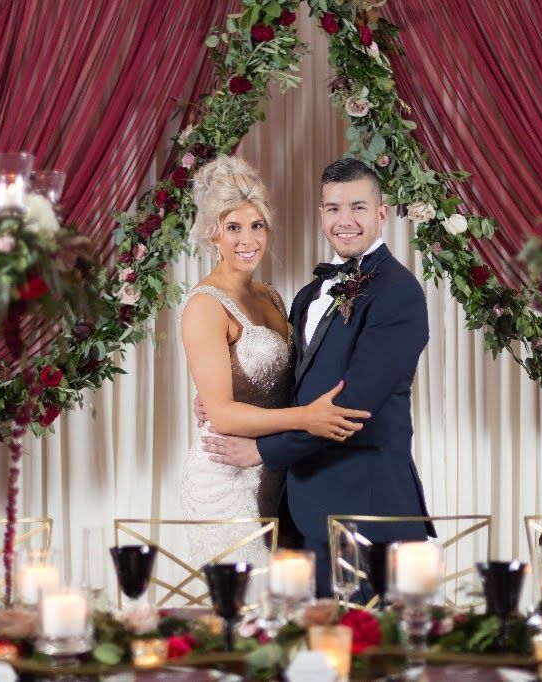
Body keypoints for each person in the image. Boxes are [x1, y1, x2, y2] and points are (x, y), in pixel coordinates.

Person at [201, 158, 434, 596]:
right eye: (332, 208)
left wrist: (262, 451)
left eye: (358, 208)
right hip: (301, 507)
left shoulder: (398, 293)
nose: (344, 221)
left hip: (365, 510)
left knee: (364, 652)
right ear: (320, 214)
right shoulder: (309, 295)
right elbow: (293, 387)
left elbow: (350, 409)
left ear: (382, 214)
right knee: (310, 649)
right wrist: (232, 394)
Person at [179, 156, 371, 567]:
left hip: (276, 470)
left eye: (257, 226)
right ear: (214, 233)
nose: (247, 239)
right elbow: (225, 416)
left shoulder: (271, 296)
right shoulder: (204, 306)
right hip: (226, 475)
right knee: (248, 608)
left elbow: (282, 380)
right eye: (234, 227)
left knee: (285, 603)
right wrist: (305, 418)